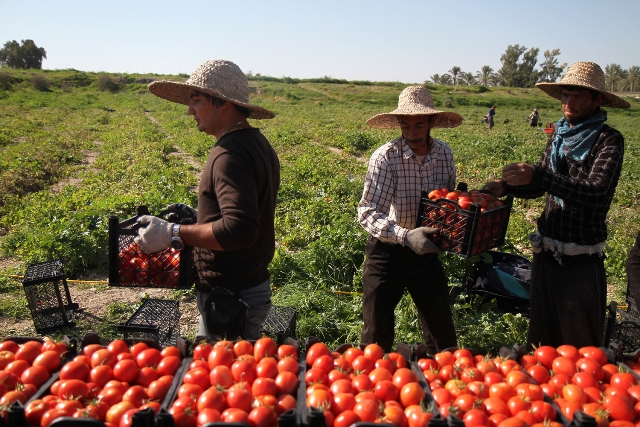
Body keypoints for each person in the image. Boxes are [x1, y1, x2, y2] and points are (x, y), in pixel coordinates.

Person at [483, 61, 630, 349]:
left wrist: (540, 175)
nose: (569, 102)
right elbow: (540, 187)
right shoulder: (559, 135)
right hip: (547, 252)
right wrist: (507, 187)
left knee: (578, 343)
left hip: (580, 258)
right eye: (566, 95)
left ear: (597, 100)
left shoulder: (608, 140)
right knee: (542, 337)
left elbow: (597, 192)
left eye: (579, 96)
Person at [134, 59, 280, 340]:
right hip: (244, 287)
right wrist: (203, 219)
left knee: (227, 377)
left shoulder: (230, 154)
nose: (190, 110)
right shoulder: (256, 142)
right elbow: (247, 210)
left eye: (197, 100)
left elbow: (239, 229)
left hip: (232, 299)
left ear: (223, 103)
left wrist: (172, 232)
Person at [357, 85, 462, 354]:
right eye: (406, 127)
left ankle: (442, 379)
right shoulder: (386, 157)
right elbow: (368, 211)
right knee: (375, 336)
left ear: (432, 123)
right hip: (388, 251)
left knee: (442, 334)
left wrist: (458, 217)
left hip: (426, 251)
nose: (412, 134)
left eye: (419, 126)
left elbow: (446, 201)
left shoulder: (444, 154)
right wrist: (406, 236)